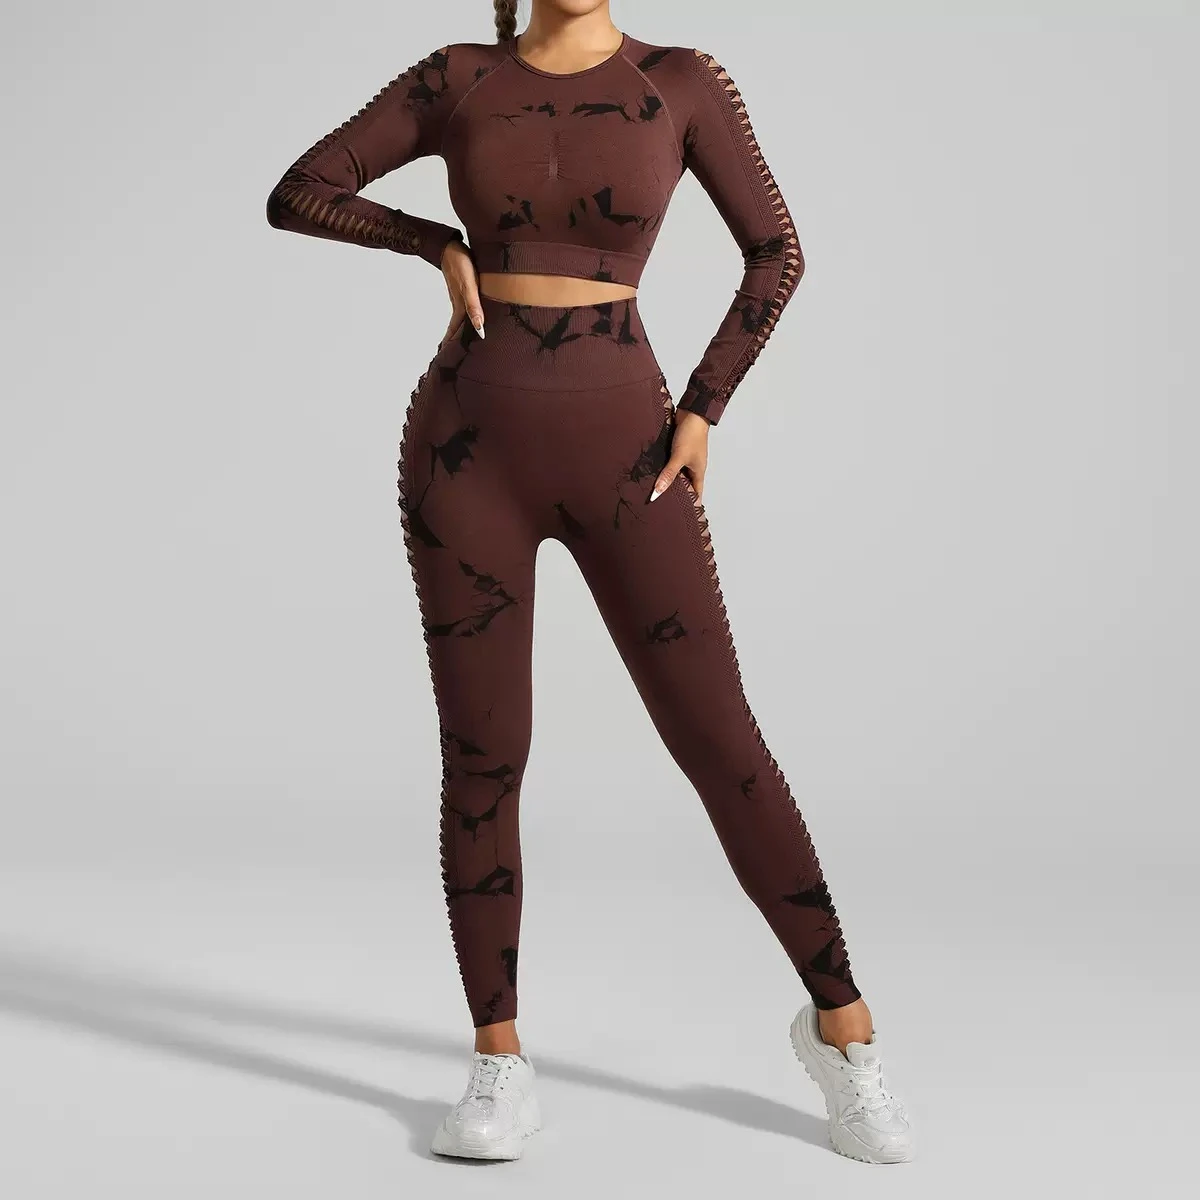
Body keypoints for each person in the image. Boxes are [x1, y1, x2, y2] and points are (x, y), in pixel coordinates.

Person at [265, 0, 914, 1166]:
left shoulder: (680, 81)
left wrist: (704, 407)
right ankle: (499, 1059)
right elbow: (301, 189)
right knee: (484, 756)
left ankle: (844, 1034)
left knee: (720, 741)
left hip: (629, 452)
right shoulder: (460, 76)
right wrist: (435, 243)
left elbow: (778, 251)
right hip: (468, 454)